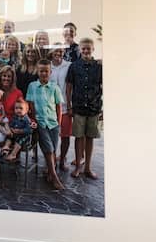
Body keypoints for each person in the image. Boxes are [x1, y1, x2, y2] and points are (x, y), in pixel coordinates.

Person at [66, 37, 103, 179]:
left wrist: (103, 107)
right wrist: (69, 106)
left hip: (94, 107)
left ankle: (88, 167)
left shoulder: (99, 66)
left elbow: (103, 86)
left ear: (93, 49)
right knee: (78, 137)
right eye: (83, 48)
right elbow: (69, 87)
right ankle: (78, 167)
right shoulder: (74, 66)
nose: (86, 51)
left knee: (90, 138)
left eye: (89, 48)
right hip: (79, 107)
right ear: (80, 50)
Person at [26, 59, 65, 189]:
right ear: (37, 71)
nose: (43, 73)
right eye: (41, 71)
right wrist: (33, 119)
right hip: (40, 122)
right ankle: (54, 176)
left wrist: (59, 124)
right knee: (48, 149)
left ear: (50, 72)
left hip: (53, 123)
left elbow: (58, 106)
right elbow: (31, 104)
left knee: (53, 149)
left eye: (46, 71)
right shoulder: (32, 86)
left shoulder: (54, 87)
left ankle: (49, 171)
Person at [0, 65, 24, 180]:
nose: (6, 78)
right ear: (0, 77)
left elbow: (22, 111)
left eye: (9, 76)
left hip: (8, 129)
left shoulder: (17, 93)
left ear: (13, 79)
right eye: (4, 76)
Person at [49, 43, 72, 171]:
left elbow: (71, 85)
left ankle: (62, 160)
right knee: (51, 136)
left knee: (65, 136)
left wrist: (70, 104)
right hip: (51, 108)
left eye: (61, 51)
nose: (58, 54)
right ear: (51, 52)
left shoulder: (68, 66)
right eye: (56, 51)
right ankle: (51, 161)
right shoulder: (48, 66)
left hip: (65, 106)